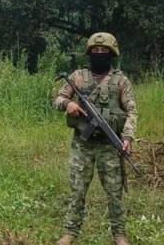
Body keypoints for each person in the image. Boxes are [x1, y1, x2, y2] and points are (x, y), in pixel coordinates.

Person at [54, 32, 138, 245]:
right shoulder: (78, 77)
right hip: (82, 145)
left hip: (110, 147)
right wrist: (68, 104)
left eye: (104, 51)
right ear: (89, 53)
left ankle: (119, 235)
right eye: (95, 51)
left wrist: (127, 137)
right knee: (77, 190)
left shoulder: (121, 81)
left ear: (112, 54)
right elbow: (59, 98)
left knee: (114, 193)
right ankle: (70, 232)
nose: (99, 54)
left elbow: (131, 112)